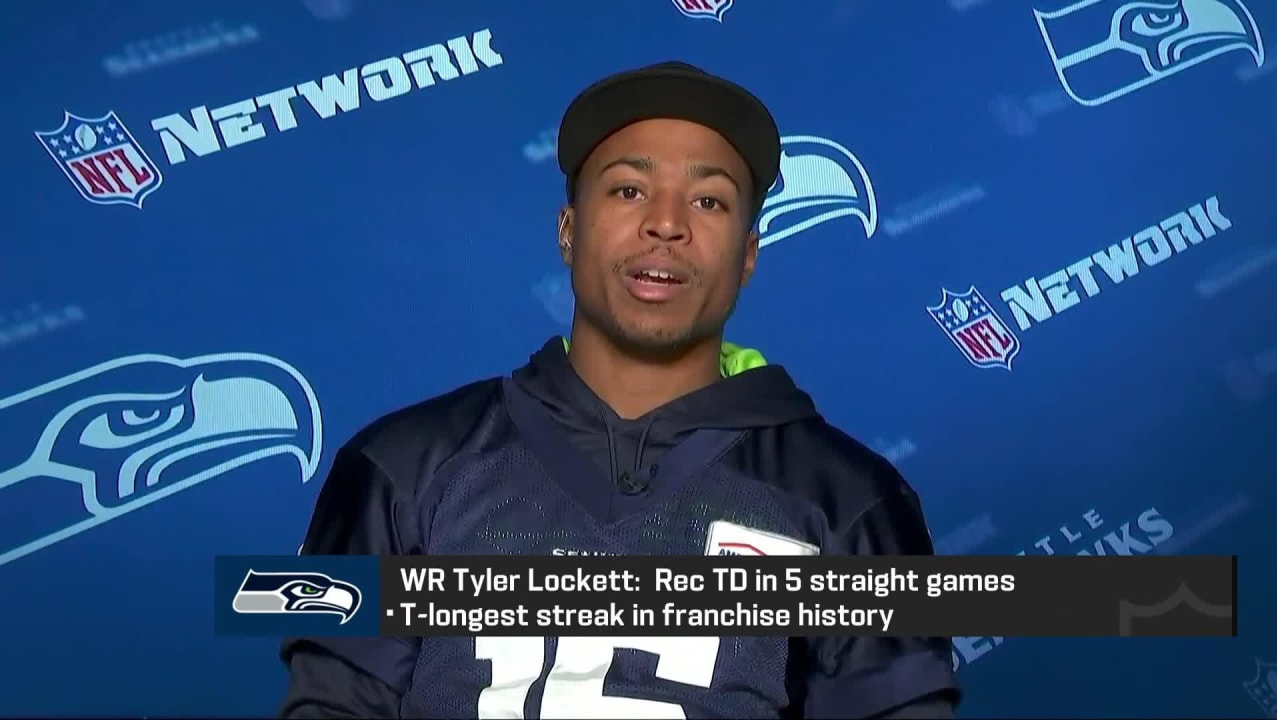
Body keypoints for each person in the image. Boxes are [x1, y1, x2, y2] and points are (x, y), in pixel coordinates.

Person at [279, 61, 959, 719]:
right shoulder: (398, 468)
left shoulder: (852, 504)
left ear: (748, 255)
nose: (666, 223)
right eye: (630, 190)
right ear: (568, 231)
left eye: (709, 200)